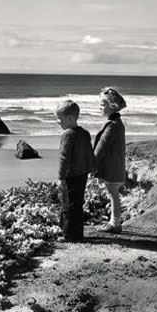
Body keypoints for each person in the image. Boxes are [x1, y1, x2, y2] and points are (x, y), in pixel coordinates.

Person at [56, 99, 95, 242]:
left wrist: (60, 176)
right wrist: (92, 169)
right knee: (77, 204)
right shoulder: (85, 133)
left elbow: (63, 158)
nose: (58, 122)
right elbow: (90, 153)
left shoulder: (67, 135)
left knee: (67, 204)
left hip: (70, 175)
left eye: (60, 119)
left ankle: (68, 234)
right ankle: (78, 233)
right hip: (82, 174)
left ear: (70, 118)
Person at [94, 87, 127, 234]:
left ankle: (115, 223)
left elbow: (102, 147)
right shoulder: (115, 123)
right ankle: (114, 221)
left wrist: (91, 163)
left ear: (112, 106)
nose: (99, 107)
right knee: (112, 193)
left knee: (113, 193)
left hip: (112, 167)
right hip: (113, 165)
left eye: (102, 105)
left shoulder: (113, 125)